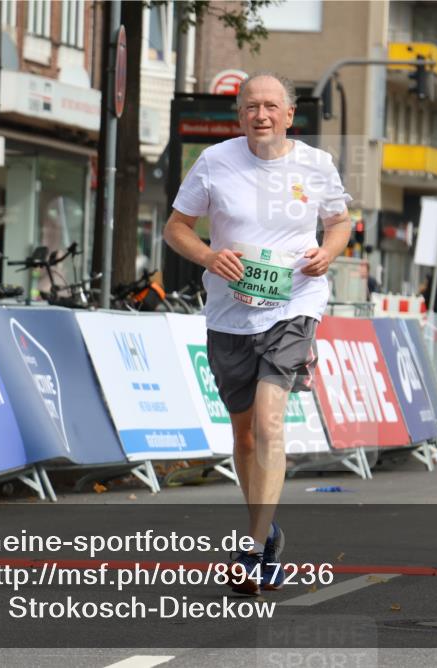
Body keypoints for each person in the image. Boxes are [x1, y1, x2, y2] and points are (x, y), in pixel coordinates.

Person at [163, 72, 351, 595]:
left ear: (289, 114)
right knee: (244, 432)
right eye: (251, 107)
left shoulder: (315, 165)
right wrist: (208, 255)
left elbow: (340, 222)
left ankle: (254, 546)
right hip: (229, 313)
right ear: (239, 115)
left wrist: (328, 252)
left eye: (271, 106)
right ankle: (264, 531)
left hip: (295, 302)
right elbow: (175, 227)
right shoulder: (214, 162)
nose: (261, 115)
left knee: (270, 421)